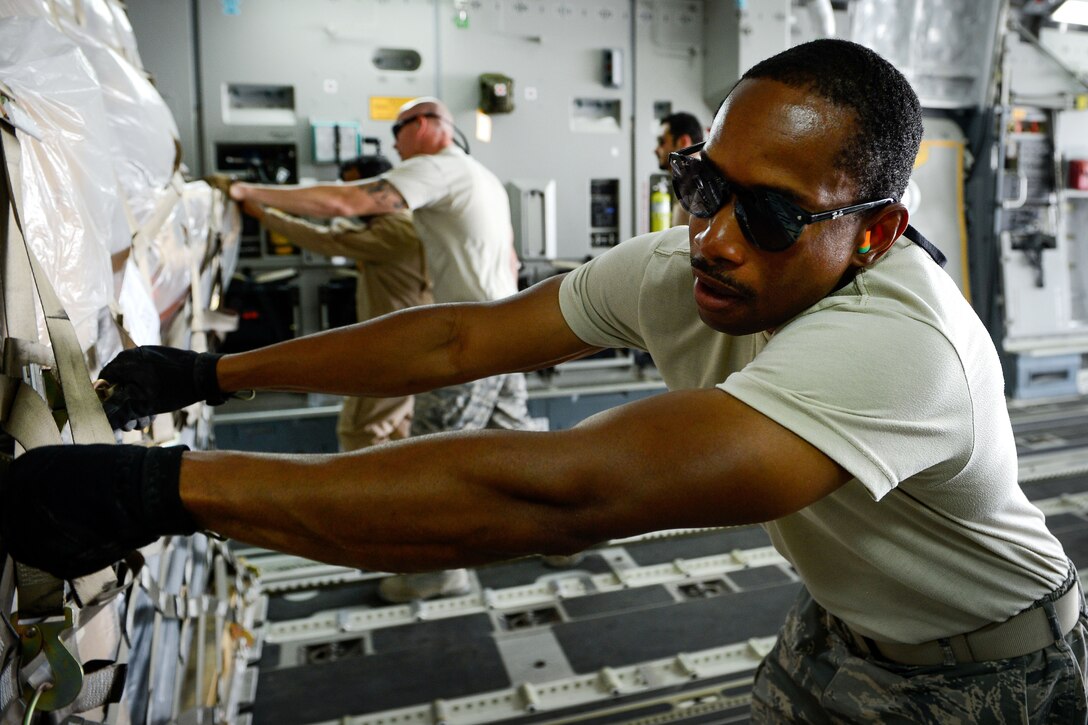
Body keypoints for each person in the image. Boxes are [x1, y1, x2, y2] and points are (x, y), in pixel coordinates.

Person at [4, 39, 1086, 722]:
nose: (711, 236)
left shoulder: (899, 344)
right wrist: (213, 368)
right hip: (836, 629)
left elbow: (566, 492)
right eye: (699, 186)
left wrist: (165, 494)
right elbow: (455, 342)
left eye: (767, 213)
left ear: (875, 232)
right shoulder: (685, 264)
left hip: (984, 679)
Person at [227, 97, 541, 601]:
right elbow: (511, 258)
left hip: (476, 336)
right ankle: (561, 534)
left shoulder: (437, 167)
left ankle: (435, 572)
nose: (395, 148)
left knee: (432, 464)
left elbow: (346, 204)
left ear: (421, 126)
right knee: (518, 443)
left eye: (397, 134)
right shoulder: (482, 176)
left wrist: (248, 191)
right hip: (513, 327)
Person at [241, 155, 432, 451]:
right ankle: (411, 495)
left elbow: (326, 241)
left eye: (353, 188)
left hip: (393, 352)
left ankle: (366, 497)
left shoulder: (394, 231)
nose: (352, 198)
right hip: (410, 349)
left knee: (359, 432)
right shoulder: (405, 226)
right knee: (396, 431)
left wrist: (264, 214)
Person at [653, 111, 705, 227]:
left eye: (662, 142)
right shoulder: (685, 185)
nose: (656, 150)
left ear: (683, 142)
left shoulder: (700, 188)